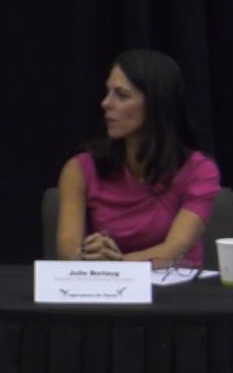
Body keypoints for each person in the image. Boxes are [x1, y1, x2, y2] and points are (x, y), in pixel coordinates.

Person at [56, 49, 220, 267]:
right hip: (103, 294)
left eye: (121, 95)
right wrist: (86, 254)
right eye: (108, 92)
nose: (106, 103)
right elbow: (67, 248)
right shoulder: (79, 169)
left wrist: (116, 264)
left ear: (156, 104)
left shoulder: (200, 171)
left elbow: (173, 251)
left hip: (176, 295)